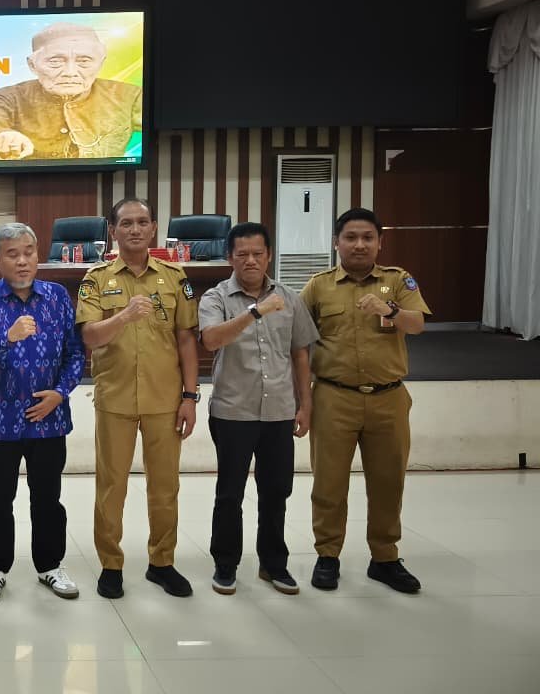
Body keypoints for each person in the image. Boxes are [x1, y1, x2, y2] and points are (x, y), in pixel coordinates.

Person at [300, 208, 431, 594]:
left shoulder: (398, 281)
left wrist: (389, 309)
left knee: (388, 482)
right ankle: (328, 556)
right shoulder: (318, 286)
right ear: (336, 243)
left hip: (388, 399)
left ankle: (385, 558)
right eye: (351, 237)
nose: (359, 245)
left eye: (367, 237)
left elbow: (418, 324)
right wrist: (301, 399)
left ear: (379, 243)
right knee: (328, 483)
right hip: (333, 397)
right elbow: (298, 343)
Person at [76, 197, 200, 599]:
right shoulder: (96, 278)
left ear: (153, 228)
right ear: (113, 231)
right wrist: (124, 316)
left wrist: (190, 396)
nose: (134, 229)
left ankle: (162, 562)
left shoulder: (175, 277)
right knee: (111, 487)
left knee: (165, 487)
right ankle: (111, 565)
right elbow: (90, 336)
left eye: (142, 222)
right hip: (115, 398)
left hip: (165, 399)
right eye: (126, 223)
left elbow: (187, 339)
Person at [198, 222, 318, 596]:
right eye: (242, 254)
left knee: (276, 491)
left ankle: (274, 564)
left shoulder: (289, 297)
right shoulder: (216, 298)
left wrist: (305, 404)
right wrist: (255, 312)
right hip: (233, 411)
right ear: (230, 257)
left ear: (268, 255)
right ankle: (225, 564)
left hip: (279, 409)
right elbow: (211, 340)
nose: (250, 260)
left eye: (257, 253)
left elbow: (300, 353)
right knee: (229, 493)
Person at [0, 223, 85, 603]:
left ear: (38, 254)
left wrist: (60, 394)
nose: (22, 261)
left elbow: (75, 353)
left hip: (48, 418)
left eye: (28, 252)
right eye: (13, 254)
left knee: (47, 498)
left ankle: (49, 565)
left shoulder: (57, 297)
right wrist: (8, 337)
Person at [0, 22, 142, 160]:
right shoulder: (9, 97)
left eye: (84, 61)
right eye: (55, 61)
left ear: (100, 63)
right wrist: (0, 137)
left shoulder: (130, 96)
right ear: (33, 65)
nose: (70, 72)